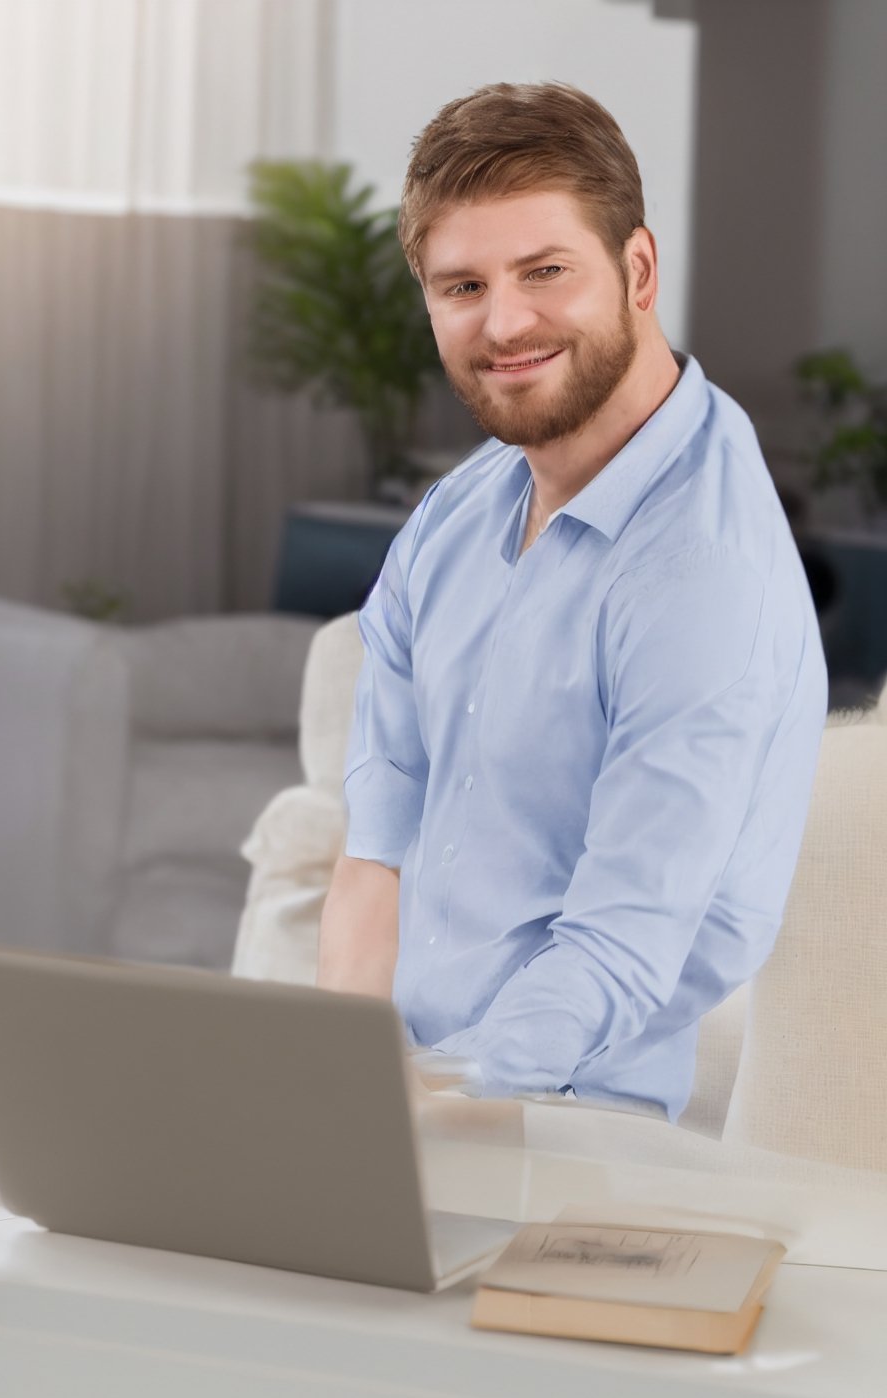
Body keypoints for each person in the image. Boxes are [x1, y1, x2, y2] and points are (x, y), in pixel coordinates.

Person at [315, 82, 827, 1121]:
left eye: (544, 271)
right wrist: (338, 1093)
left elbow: (621, 948)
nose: (504, 323)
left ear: (636, 270)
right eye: (462, 286)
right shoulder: (456, 519)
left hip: (570, 1133)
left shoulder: (703, 573)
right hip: (395, 1114)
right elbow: (377, 846)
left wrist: (419, 1106)